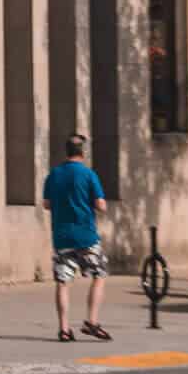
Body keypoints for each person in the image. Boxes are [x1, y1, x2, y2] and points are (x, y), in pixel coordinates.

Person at [42, 133, 111, 342]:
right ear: (83, 152)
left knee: (63, 281)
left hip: (61, 237)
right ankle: (91, 321)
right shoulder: (89, 175)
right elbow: (101, 205)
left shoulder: (53, 175)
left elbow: (46, 204)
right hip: (86, 237)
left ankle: (64, 329)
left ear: (67, 151)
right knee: (99, 275)